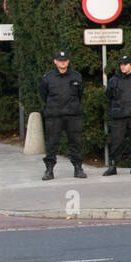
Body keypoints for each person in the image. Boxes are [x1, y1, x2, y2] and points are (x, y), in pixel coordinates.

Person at [39, 50, 85, 180]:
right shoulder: (48, 78)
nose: (62, 63)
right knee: (52, 143)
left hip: (73, 115)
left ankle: (78, 168)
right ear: (55, 62)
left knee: (75, 142)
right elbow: (44, 94)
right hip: (54, 115)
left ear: (68, 61)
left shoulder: (76, 76)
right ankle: (49, 170)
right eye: (60, 60)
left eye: (64, 60)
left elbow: (80, 93)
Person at [104, 55, 131, 176]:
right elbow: (108, 97)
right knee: (116, 141)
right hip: (118, 116)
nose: (123, 66)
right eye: (121, 64)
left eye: (126, 64)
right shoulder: (114, 80)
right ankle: (113, 166)